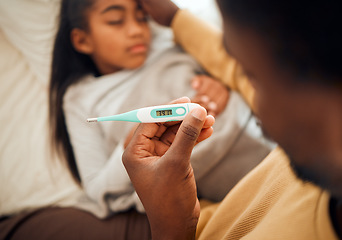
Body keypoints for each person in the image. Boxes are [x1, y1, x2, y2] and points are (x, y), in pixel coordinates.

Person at [122, 0, 342, 239]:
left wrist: (170, 230)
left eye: (255, 79)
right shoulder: (316, 139)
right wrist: (176, 19)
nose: (260, 118)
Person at [50, 0, 272, 220]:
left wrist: (221, 86)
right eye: (116, 21)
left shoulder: (170, 43)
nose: (137, 30)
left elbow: (239, 70)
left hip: (263, 139)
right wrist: (128, 147)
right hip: (224, 180)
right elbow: (97, 189)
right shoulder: (81, 97)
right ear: (82, 40)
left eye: (142, 18)